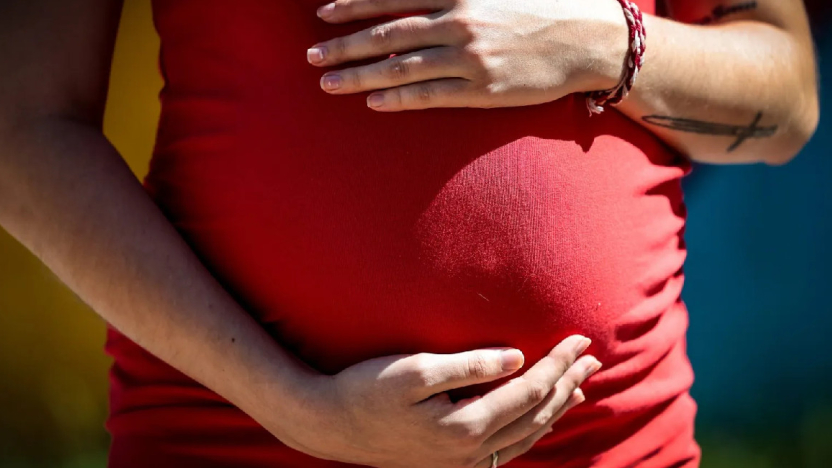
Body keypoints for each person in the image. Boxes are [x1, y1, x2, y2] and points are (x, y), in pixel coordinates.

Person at [0, 0, 817, 467]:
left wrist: (597, 44)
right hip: (233, 436)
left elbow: (785, 106)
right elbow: (21, 126)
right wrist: (297, 409)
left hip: (608, 441)